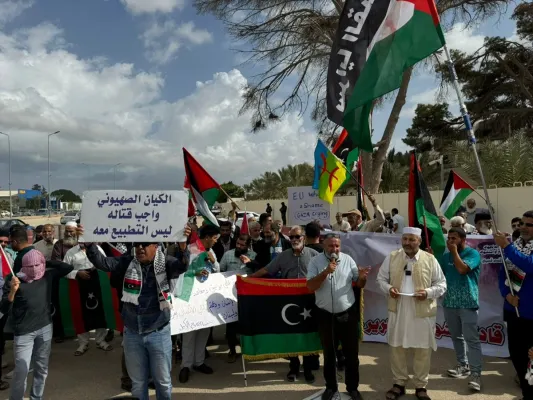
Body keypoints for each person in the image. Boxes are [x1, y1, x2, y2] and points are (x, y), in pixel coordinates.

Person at [77, 224, 191, 400]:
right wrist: (90, 243)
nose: (139, 248)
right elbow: (103, 263)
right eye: (136, 244)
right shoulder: (126, 262)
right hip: (132, 333)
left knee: (163, 381)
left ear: (156, 246)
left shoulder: (166, 263)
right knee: (138, 383)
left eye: (145, 244)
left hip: (158, 332)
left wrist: (183, 248)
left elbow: (182, 266)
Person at [0, 230, 73, 400]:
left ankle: (36, 397)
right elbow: (3, 307)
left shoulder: (46, 275)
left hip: (45, 328)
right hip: (24, 332)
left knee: (41, 369)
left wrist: (44, 261)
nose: (34, 269)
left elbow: (67, 267)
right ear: (22, 266)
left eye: (36, 266)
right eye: (30, 267)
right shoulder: (14, 279)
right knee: (22, 371)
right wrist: (12, 291)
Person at [377, 227, 447, 400]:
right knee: (397, 348)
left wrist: (428, 293)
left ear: (419, 241)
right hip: (399, 309)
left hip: (422, 312)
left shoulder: (430, 259)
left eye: (411, 239)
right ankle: (399, 383)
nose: (407, 243)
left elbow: (442, 284)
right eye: (405, 239)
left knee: (422, 350)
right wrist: (388, 288)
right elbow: (381, 279)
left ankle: (420, 385)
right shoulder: (392, 257)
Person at [252, 226, 320, 383]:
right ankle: (294, 367)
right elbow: (266, 270)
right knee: (291, 336)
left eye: (297, 236)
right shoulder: (283, 256)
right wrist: (249, 279)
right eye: (292, 237)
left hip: (309, 302)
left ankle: (308, 369)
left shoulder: (315, 255)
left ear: (304, 237)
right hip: (289, 303)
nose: (294, 240)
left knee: (308, 335)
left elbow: (327, 272)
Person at [306, 232, 369, 400]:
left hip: (347, 314)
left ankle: (353, 388)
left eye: (337, 246)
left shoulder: (348, 260)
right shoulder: (315, 261)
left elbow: (360, 283)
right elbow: (310, 286)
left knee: (351, 355)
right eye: (331, 246)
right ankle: (331, 387)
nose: (334, 249)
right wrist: (326, 272)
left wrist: (362, 277)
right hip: (325, 316)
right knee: (329, 354)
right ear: (324, 246)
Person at [494, 210, 533, 400]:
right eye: (522, 224)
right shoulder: (516, 246)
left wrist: (508, 247)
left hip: (531, 314)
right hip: (513, 310)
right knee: (517, 356)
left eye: (528, 225)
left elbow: (530, 265)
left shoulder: (512, 249)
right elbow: (503, 274)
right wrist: (507, 295)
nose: (523, 227)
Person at [439, 228, 483, 391]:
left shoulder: (473, 254)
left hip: (468, 303)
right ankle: (462, 365)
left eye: (454, 238)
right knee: (456, 337)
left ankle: (476, 374)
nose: (450, 241)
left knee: (472, 340)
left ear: (463, 239)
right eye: (449, 238)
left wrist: (455, 252)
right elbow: (439, 274)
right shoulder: (445, 257)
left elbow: (462, 269)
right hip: (449, 302)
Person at [179, 224, 220, 383]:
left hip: (206, 297)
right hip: (191, 296)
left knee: (203, 331)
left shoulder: (211, 251)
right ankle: (186, 366)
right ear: (208, 237)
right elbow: (180, 271)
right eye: (215, 238)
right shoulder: (191, 249)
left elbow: (217, 269)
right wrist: (194, 272)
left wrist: (213, 262)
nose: (216, 241)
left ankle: (199, 362)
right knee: (189, 332)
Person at [63, 242, 112, 356]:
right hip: (80, 286)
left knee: (100, 312)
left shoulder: (98, 248)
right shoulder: (71, 252)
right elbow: (64, 271)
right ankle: (83, 343)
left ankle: (100, 340)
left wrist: (98, 266)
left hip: (97, 284)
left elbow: (106, 264)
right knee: (81, 314)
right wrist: (77, 273)